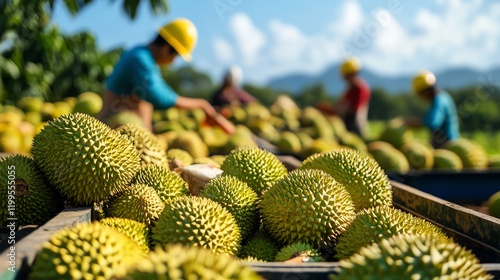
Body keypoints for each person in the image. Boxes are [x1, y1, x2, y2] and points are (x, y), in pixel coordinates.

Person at [98, 18, 235, 134]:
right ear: (167, 48)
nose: (174, 61)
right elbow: (158, 96)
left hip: (128, 132)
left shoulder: (145, 58)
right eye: (176, 56)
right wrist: (201, 104)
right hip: (112, 128)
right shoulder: (139, 59)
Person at [404, 70, 460, 148]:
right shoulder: (443, 97)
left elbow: (432, 122)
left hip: (447, 145)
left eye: (419, 94)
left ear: (425, 91)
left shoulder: (439, 101)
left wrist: (406, 123)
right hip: (447, 143)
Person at [334, 57, 371, 139]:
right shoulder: (352, 88)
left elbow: (355, 109)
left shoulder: (359, 88)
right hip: (348, 125)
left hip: (355, 126)